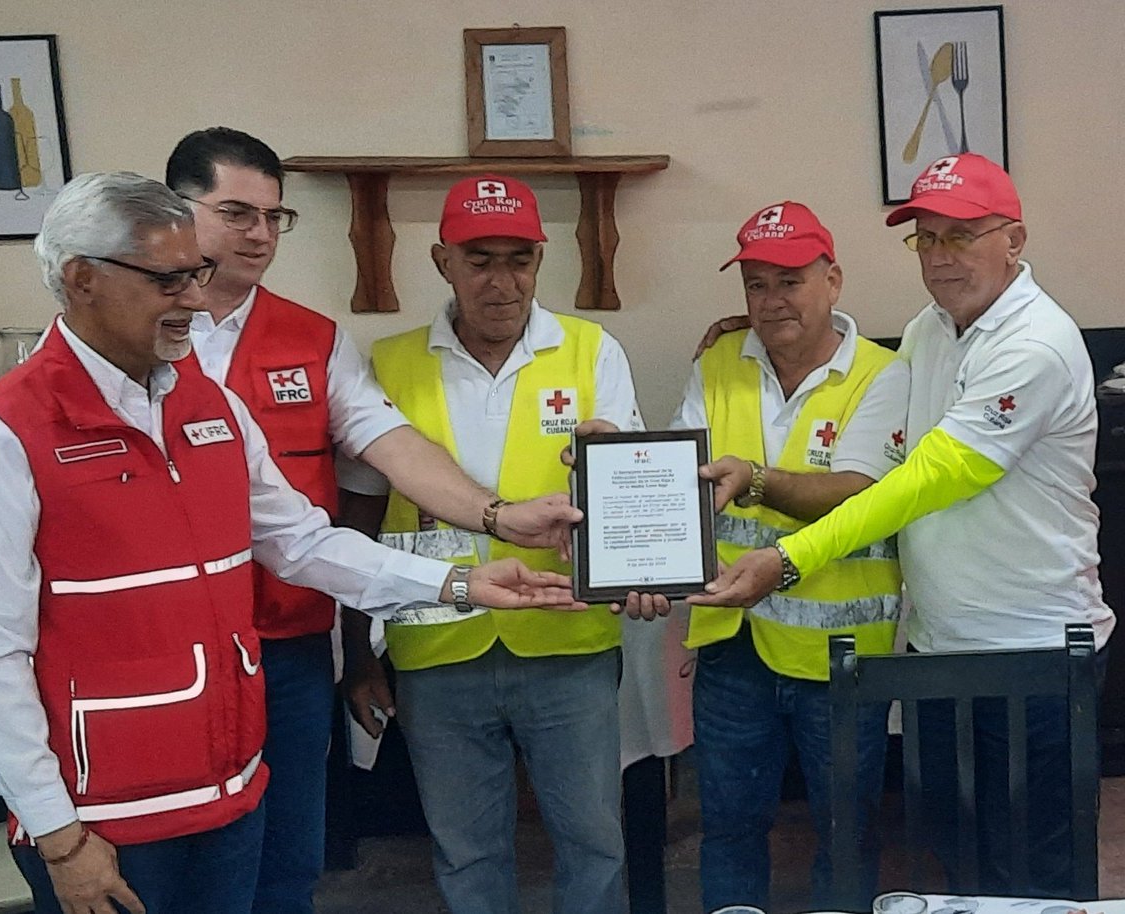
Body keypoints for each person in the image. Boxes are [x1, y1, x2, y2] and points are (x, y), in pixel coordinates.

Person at [0, 172, 582, 914]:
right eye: (169, 280)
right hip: (105, 817)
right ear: (81, 280)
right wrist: (57, 833)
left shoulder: (212, 406)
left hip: (231, 788)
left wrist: (460, 584)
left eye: (197, 275)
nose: (196, 301)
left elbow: (301, 541)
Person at [164, 128, 581, 914]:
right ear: (175, 210)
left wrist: (498, 517)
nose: (259, 234)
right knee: (179, 856)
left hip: (283, 639)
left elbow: (389, 446)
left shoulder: (313, 341)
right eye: (236, 213)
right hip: (166, 645)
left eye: (274, 217)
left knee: (289, 855)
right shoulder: (137, 333)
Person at [695, 154, 1116, 897]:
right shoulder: (932, 329)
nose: (941, 258)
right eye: (926, 239)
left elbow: (923, 481)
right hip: (936, 646)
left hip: (1032, 652)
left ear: (1013, 240)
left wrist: (788, 560)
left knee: (1036, 879)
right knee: (953, 871)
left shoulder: (1035, 344)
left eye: (962, 236)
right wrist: (769, 329)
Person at [343, 174, 643, 914]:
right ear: (443, 261)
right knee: (465, 852)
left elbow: (634, 497)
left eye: (520, 259)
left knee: (594, 843)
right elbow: (356, 522)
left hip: (568, 641)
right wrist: (356, 656)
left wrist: (612, 460)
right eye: (480, 261)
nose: (502, 282)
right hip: (437, 650)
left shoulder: (591, 351)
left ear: (542, 259)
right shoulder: (387, 362)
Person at [664, 201, 908, 911]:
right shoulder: (719, 362)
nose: (771, 302)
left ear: (833, 280)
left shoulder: (886, 374)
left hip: (842, 656)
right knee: (731, 829)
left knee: (847, 831)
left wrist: (757, 480)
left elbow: (856, 492)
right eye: (756, 285)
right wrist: (641, 562)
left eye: (791, 281)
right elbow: (682, 483)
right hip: (731, 646)